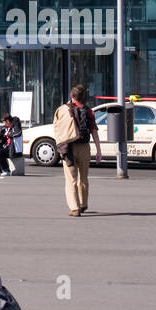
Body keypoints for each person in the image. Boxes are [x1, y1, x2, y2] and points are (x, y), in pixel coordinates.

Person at [55, 84, 102, 215]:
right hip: (85, 147)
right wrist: (98, 150)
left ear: (71, 96)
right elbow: (94, 131)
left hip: (68, 147)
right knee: (84, 178)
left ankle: (74, 208)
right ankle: (83, 203)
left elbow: (57, 128)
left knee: (71, 179)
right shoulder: (88, 111)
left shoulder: (62, 110)